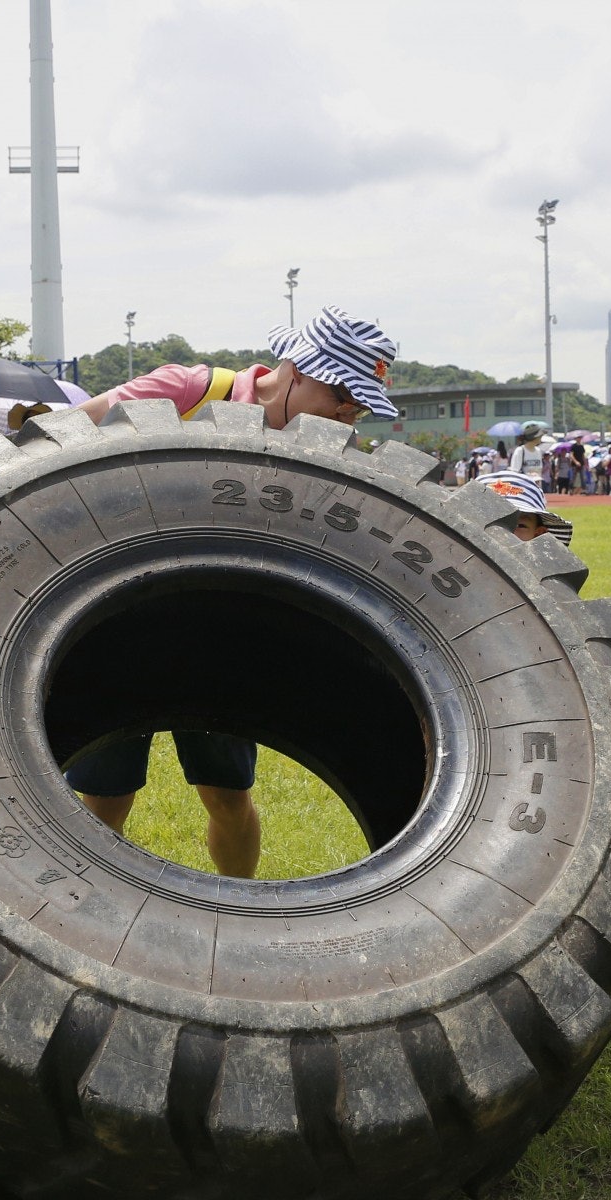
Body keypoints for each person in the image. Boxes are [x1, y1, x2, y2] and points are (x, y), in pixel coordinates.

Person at [67, 305, 400, 878]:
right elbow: (66, 440)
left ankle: (239, 901)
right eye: (342, 395)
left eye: (359, 405)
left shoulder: (320, 455)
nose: (350, 414)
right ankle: (88, 912)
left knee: (226, 794)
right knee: (105, 797)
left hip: (216, 637)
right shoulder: (187, 390)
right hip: (121, 623)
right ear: (297, 370)